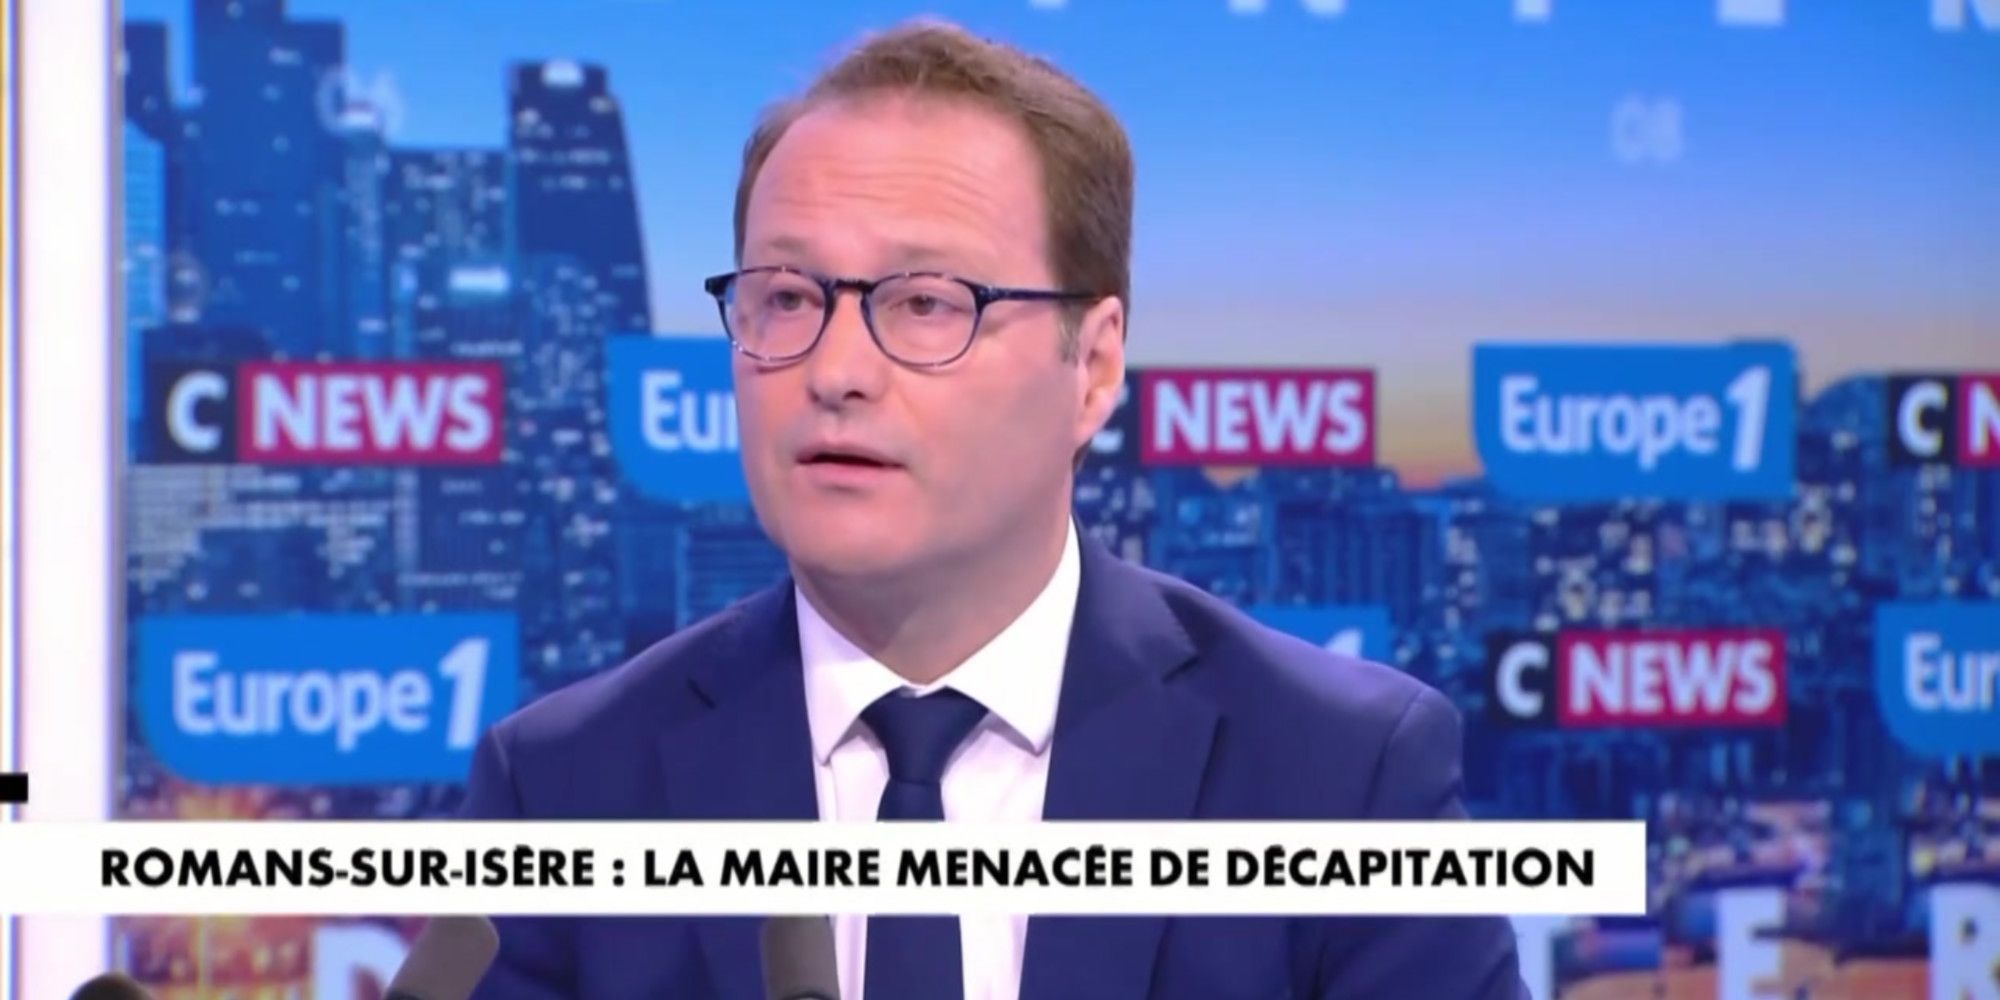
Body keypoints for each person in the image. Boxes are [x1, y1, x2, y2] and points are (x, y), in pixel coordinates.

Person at [462, 17, 1529, 1000]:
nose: (835, 370)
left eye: (926, 303)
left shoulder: (1340, 776)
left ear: (1093, 366)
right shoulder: (561, 788)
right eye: (786, 297)